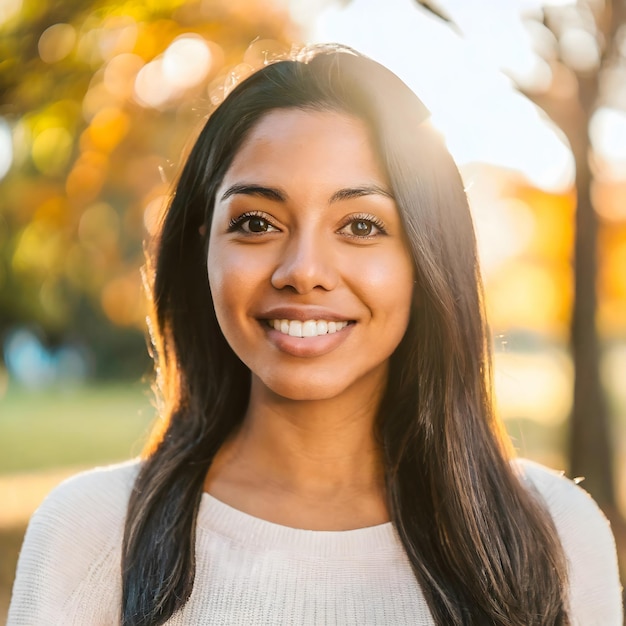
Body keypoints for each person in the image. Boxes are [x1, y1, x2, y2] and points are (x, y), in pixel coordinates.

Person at [7, 44, 623, 626]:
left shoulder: (555, 534)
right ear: (204, 248)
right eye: (255, 221)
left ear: (427, 258)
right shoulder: (89, 531)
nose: (303, 270)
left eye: (360, 224)